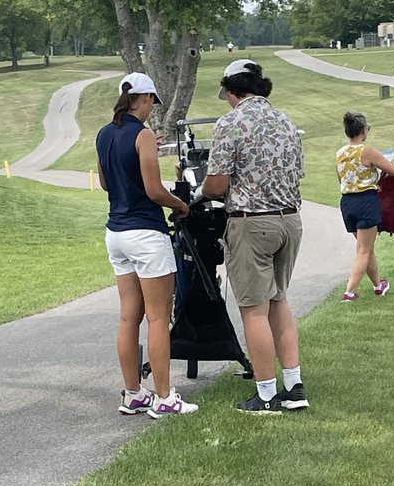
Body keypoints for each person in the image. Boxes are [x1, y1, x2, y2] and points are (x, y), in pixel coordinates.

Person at [196, 59, 308, 415]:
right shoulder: (285, 121)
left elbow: (216, 186)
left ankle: (265, 394)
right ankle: (293, 387)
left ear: (232, 90)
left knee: (254, 310)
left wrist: (199, 190)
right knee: (279, 300)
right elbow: (297, 172)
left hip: (252, 222)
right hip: (290, 221)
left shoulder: (230, 123)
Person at [96, 72, 198, 419]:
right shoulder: (143, 135)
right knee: (157, 317)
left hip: (116, 233)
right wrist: (181, 206)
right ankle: (165, 397)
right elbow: (155, 190)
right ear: (145, 98)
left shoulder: (104, 133)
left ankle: (133, 394)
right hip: (146, 234)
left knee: (129, 317)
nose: (153, 107)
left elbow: (106, 183)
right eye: (152, 101)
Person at [336, 111, 394, 302]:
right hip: (365, 201)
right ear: (364, 131)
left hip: (347, 203)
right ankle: (350, 293)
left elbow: (341, 179)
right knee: (363, 251)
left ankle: (378, 285)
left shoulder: (340, 153)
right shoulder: (367, 152)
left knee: (366, 247)